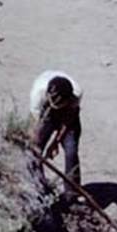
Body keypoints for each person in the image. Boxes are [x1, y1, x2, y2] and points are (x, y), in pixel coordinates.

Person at [28, 70, 84, 198]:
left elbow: (69, 119)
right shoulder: (38, 95)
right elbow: (34, 128)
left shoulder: (76, 92)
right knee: (34, 151)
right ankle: (39, 187)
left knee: (71, 151)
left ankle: (72, 194)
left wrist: (55, 142)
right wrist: (37, 146)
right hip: (45, 114)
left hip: (68, 115)